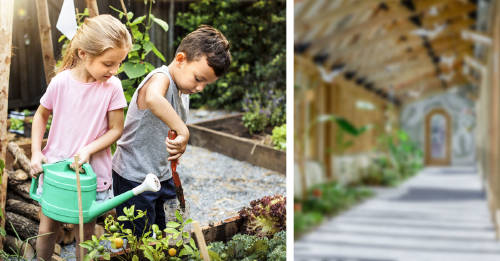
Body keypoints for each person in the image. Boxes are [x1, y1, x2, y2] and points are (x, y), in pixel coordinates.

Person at [112, 25, 231, 238]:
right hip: (134, 177)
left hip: (161, 175)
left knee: (169, 234)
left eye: (206, 84)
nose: (200, 88)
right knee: (138, 242)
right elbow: (153, 99)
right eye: (198, 78)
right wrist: (183, 130)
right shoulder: (161, 78)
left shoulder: (183, 90)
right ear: (180, 59)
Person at [29, 15, 132, 261]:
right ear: (84, 54)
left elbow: (116, 129)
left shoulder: (113, 87)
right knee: (46, 232)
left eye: (119, 63)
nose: (115, 70)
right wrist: (35, 152)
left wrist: (88, 150)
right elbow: (40, 116)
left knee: (85, 235)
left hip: (91, 174)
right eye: (108, 63)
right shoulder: (61, 82)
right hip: (55, 170)